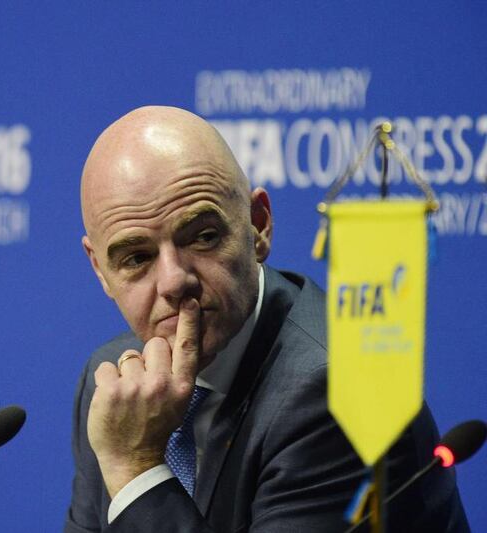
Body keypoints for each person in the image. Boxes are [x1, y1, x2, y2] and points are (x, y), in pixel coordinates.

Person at [65, 105, 468, 532]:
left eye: (202, 237)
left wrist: (136, 468)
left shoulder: (337, 394)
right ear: (99, 270)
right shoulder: (114, 385)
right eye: (136, 258)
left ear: (258, 226)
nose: (173, 281)